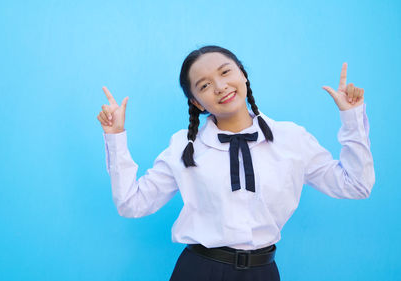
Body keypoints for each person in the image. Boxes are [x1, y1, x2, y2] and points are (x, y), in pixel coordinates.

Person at [96, 45, 375, 281]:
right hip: (199, 270)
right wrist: (115, 137)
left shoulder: (291, 138)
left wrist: (352, 118)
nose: (220, 86)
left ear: (243, 73)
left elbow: (356, 185)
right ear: (197, 103)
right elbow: (131, 204)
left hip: (263, 272)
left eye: (225, 72)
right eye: (204, 85)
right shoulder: (184, 146)